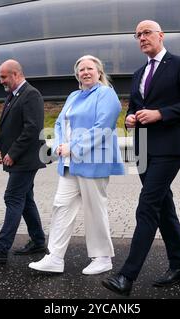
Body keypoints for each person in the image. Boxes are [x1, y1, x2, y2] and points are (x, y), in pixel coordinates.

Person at [102, 20, 180, 296]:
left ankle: (126, 276)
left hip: (169, 146)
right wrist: (131, 117)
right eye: (138, 35)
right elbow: (135, 105)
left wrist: (160, 113)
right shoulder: (138, 73)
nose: (142, 38)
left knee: (147, 206)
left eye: (146, 33)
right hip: (144, 147)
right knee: (163, 207)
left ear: (160, 35)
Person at [28, 55, 124, 275]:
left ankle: (102, 258)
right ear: (77, 74)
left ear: (99, 72)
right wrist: (61, 144)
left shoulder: (106, 94)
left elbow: (103, 126)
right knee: (61, 206)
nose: (86, 72)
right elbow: (61, 122)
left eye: (90, 68)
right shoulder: (73, 95)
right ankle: (54, 257)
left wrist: (74, 147)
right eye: (81, 69)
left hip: (92, 161)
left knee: (94, 210)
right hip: (69, 162)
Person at [0, 59, 46, 262]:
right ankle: (38, 240)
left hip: (26, 159)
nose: (1, 81)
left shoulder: (31, 95)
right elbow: (4, 126)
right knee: (26, 199)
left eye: (4, 77)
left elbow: (32, 129)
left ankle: (1, 249)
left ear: (16, 74)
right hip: (18, 158)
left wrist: (12, 153)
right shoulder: (12, 95)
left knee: (12, 198)